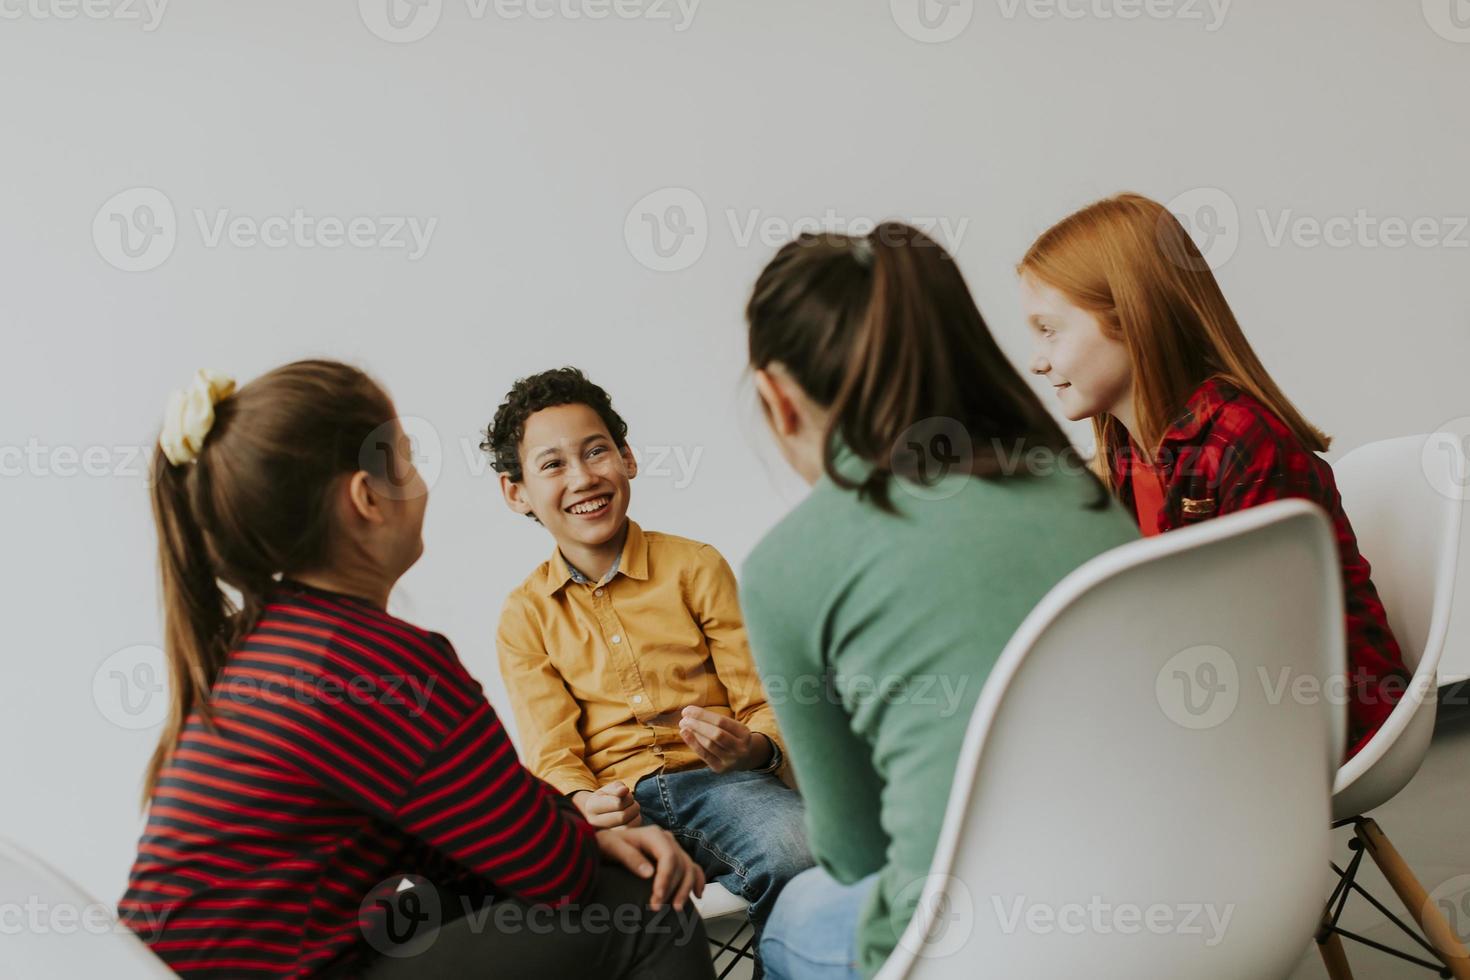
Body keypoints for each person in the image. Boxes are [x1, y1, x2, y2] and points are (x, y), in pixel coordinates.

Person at [119, 360, 713, 979]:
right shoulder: (371, 664)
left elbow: (479, 833)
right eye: (405, 458)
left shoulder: (265, 646)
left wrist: (577, 836)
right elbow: (552, 872)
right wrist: (584, 844)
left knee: (454, 899)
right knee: (644, 908)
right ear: (368, 498)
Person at [737, 225, 1139, 979]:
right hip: (1197, 902)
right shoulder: (1073, 486)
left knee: (796, 916)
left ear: (778, 398)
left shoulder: (783, 567)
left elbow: (856, 855)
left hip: (982, 950)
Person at [1018, 191, 1408, 756]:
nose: (1036, 360)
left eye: (1049, 330)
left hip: (1317, 724)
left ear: (1129, 319)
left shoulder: (1243, 440)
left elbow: (1260, 646)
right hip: (1220, 709)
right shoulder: (1127, 454)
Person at [485, 367, 813, 962]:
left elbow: (763, 701)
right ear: (517, 492)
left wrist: (755, 748)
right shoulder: (523, 616)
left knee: (800, 847)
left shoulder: (695, 567)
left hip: (723, 784)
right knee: (562, 911)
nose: (584, 477)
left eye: (596, 451)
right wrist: (582, 804)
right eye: (553, 464)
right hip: (617, 810)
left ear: (628, 458)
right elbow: (553, 752)